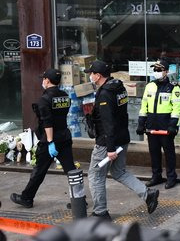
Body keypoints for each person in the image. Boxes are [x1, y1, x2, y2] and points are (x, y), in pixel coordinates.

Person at [86, 60, 159, 219]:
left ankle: (100, 212)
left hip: (107, 142)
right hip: (122, 137)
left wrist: (110, 148)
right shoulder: (119, 88)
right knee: (118, 172)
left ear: (98, 76)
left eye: (91, 73)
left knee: (95, 175)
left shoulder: (105, 93)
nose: (90, 76)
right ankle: (147, 194)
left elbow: (108, 123)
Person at [11, 69, 76, 208]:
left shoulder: (44, 100)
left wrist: (50, 142)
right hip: (64, 137)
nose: (43, 81)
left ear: (47, 80)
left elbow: (48, 123)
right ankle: (79, 199)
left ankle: (26, 198)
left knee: (39, 170)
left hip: (50, 140)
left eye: (44, 79)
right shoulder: (65, 96)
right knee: (71, 170)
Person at [137, 59, 180, 190]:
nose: (156, 72)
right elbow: (144, 105)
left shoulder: (174, 87)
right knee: (154, 152)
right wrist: (141, 123)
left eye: (159, 70)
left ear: (166, 72)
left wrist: (172, 125)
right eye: (155, 70)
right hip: (152, 123)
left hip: (166, 124)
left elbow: (177, 108)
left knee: (169, 152)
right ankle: (156, 176)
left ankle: (171, 177)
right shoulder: (149, 86)